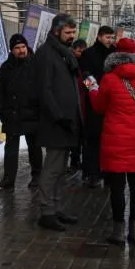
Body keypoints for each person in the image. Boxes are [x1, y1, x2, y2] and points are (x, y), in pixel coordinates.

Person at [87, 38, 135, 245]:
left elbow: (99, 108)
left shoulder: (109, 79)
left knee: (117, 187)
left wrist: (92, 90)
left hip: (114, 140)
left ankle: (118, 231)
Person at [34, 13, 83, 231]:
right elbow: (44, 91)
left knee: (61, 169)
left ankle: (55, 207)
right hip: (55, 123)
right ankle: (46, 211)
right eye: (68, 32)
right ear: (56, 31)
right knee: (52, 169)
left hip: (66, 122)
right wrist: (59, 116)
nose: (72, 36)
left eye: (74, 32)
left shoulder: (63, 53)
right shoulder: (46, 54)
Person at [0, 34, 43, 190]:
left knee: (34, 147)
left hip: (32, 114)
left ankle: (37, 176)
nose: (21, 50)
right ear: (11, 50)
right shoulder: (7, 67)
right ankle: (8, 179)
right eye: (17, 48)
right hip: (12, 114)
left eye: (23, 47)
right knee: (11, 149)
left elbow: (43, 89)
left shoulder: (36, 64)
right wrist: (0, 109)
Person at [78, 25, 115, 188]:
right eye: (107, 37)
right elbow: (83, 74)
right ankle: (91, 172)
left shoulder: (114, 54)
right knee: (93, 137)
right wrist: (93, 89)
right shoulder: (88, 53)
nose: (110, 40)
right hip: (93, 101)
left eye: (112, 37)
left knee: (108, 138)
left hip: (111, 102)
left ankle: (106, 170)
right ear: (99, 37)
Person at [68, 39, 88, 173]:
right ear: (74, 50)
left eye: (83, 50)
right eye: (79, 50)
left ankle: (81, 161)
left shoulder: (86, 63)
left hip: (84, 102)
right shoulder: (69, 62)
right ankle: (74, 160)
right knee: (74, 135)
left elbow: (89, 83)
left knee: (83, 135)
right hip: (73, 103)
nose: (81, 53)